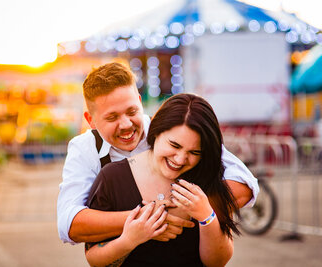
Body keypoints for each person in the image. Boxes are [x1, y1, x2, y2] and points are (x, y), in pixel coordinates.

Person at [57, 62, 258, 244]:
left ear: (138, 100)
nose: (126, 125)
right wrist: (149, 222)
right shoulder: (84, 148)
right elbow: (69, 224)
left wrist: (185, 212)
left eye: (132, 111)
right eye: (112, 117)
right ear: (90, 120)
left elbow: (244, 184)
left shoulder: (169, 128)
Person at [85, 93, 239, 266]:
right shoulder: (112, 178)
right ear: (156, 131)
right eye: (175, 145)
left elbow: (217, 262)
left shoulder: (208, 177)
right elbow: (93, 259)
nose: (180, 159)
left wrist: (206, 216)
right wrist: (129, 240)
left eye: (194, 152)